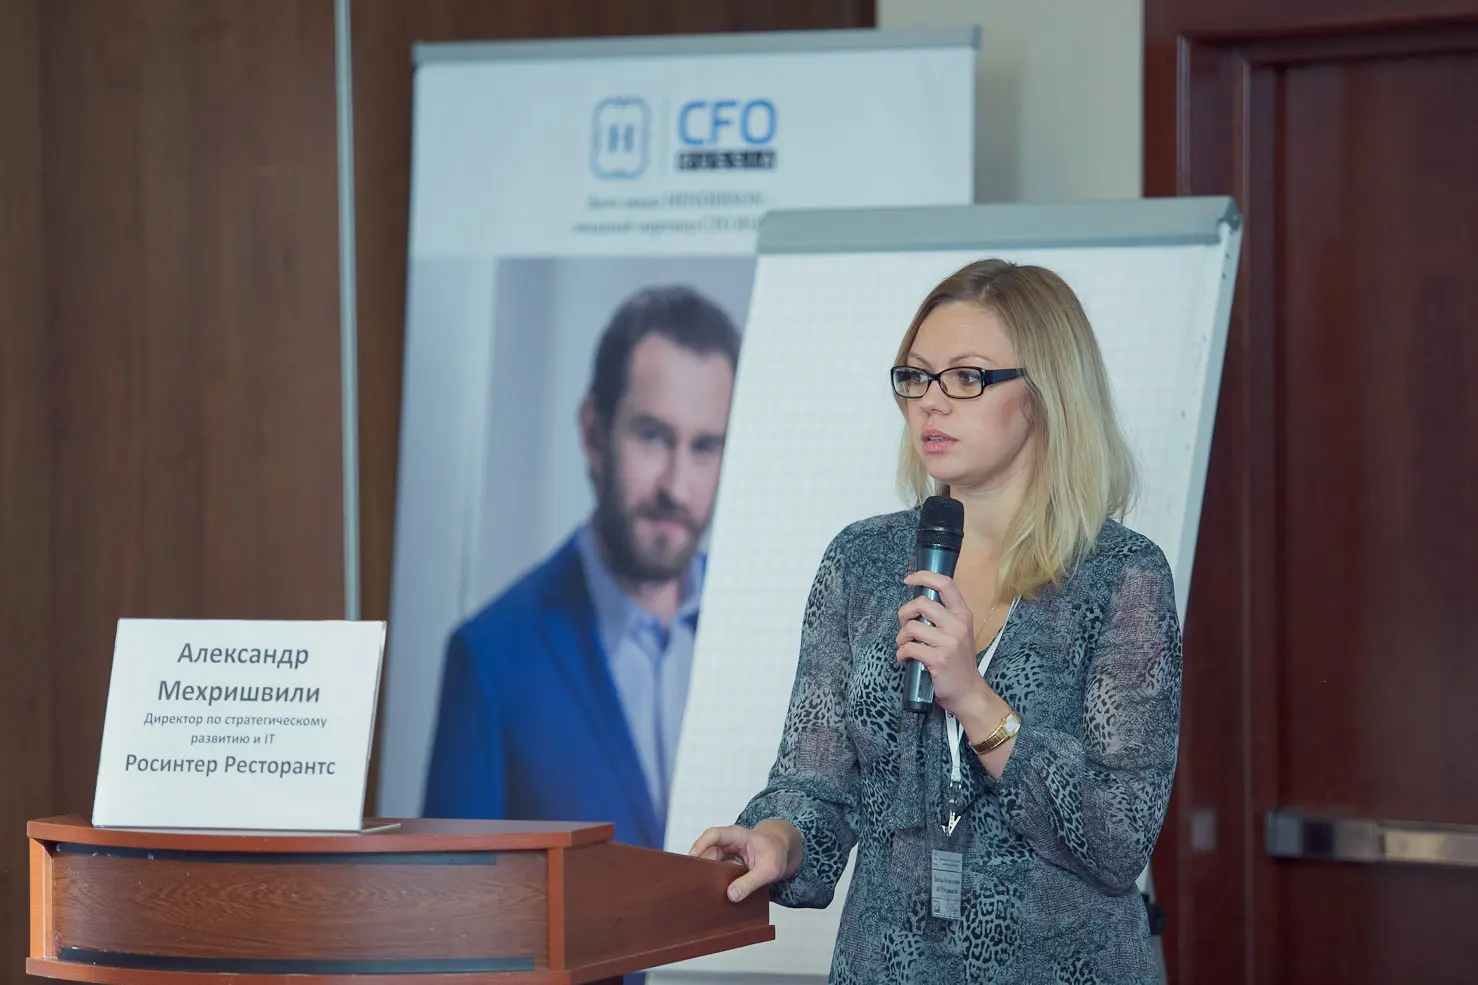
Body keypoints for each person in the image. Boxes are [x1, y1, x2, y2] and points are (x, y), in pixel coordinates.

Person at [689, 259, 1182, 983]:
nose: (931, 403)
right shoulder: (863, 561)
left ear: (1044, 395)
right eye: (917, 378)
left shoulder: (1120, 575)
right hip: (885, 964)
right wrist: (778, 839)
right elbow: (815, 783)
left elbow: (1119, 834)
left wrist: (974, 699)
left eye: (967, 377)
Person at [425, 284, 740, 853]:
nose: (677, 486)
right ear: (595, 433)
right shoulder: (491, 658)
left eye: (705, 447)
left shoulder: (764, 634)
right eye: (653, 436)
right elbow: (450, 902)